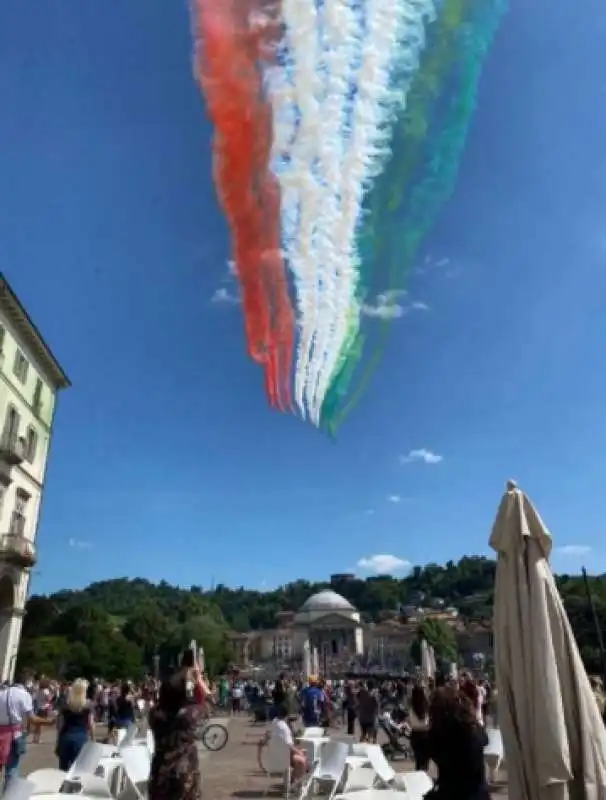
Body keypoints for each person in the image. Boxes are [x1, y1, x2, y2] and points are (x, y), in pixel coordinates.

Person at [148, 653, 205, 800]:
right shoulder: (189, 716)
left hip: (161, 770)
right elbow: (205, 700)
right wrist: (197, 679)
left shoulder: (154, 715)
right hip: (184, 772)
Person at [426, 687, 490, 800]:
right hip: (478, 794)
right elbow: (485, 740)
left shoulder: (436, 736)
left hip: (449, 793)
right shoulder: (474, 731)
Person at [55, 679, 94, 771]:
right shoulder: (88, 704)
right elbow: (91, 724)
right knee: (77, 770)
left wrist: (58, 740)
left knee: (63, 769)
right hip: (80, 737)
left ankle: (62, 785)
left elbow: (59, 724)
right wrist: (93, 740)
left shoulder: (66, 704)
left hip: (66, 736)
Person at [266, 704, 307, 781]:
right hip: (284, 759)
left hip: (273, 757)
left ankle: (292, 780)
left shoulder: (273, 723)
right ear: (287, 715)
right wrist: (299, 752)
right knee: (302, 761)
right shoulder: (285, 728)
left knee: (300, 753)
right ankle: (294, 781)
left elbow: (268, 737)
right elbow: (289, 746)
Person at [408, 685, 430, 771]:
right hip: (425, 734)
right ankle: (424, 777)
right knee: (425, 760)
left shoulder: (411, 705)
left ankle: (418, 775)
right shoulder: (426, 705)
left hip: (415, 734)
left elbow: (410, 720)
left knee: (418, 760)